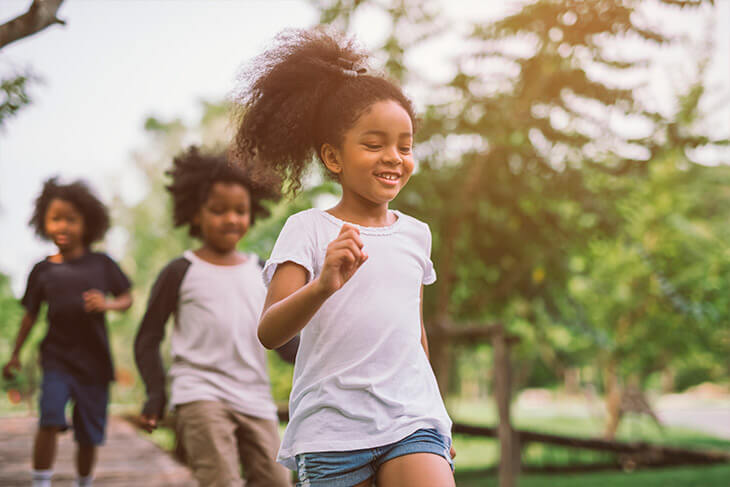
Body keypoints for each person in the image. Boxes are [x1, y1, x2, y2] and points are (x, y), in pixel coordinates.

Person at [230, 28, 455, 487]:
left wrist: (437, 414)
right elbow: (270, 332)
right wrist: (323, 284)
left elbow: (415, 335)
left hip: (411, 421)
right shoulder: (308, 229)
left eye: (405, 145)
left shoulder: (417, 235)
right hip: (332, 433)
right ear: (333, 156)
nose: (393, 157)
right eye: (374, 144)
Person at [134, 147, 296, 487]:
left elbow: (282, 340)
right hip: (199, 393)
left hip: (254, 395)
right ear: (195, 213)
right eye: (218, 210)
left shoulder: (262, 271)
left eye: (240, 211)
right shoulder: (180, 271)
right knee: (219, 480)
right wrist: (155, 392)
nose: (231, 219)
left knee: (278, 481)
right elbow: (147, 337)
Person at [2, 178, 133, 487]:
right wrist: (15, 354)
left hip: (94, 362)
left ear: (87, 223)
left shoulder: (102, 264)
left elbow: (127, 298)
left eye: (71, 219)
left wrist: (108, 304)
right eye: (55, 218)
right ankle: (41, 482)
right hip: (56, 358)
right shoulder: (42, 270)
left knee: (89, 432)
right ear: (43, 222)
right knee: (49, 417)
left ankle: (83, 482)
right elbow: (30, 315)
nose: (63, 226)